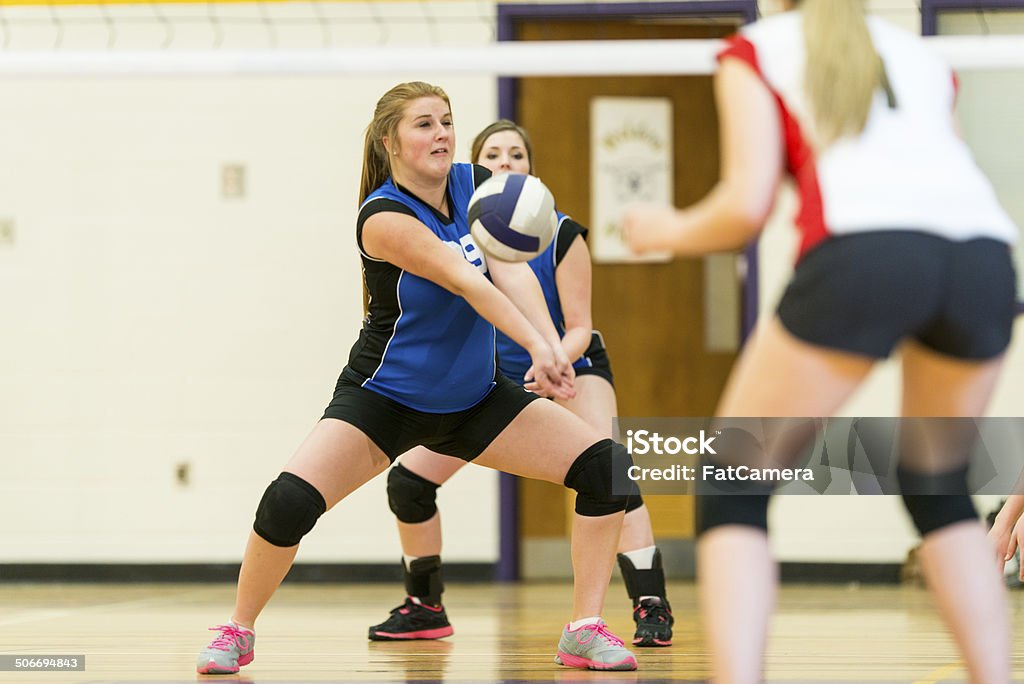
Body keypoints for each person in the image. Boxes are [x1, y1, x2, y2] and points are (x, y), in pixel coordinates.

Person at [623, 1, 1018, 682]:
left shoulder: (758, 48)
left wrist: (661, 230)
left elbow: (745, 207)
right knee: (937, 483)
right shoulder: (920, 55)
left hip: (865, 254)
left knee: (733, 479)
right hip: (984, 258)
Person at [195, 82, 639, 674]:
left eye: (448, 122)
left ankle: (583, 627)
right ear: (391, 142)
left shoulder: (475, 186)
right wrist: (535, 343)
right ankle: (238, 629)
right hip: (386, 398)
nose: (442, 135)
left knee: (607, 470)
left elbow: (509, 271)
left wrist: (551, 346)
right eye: (425, 124)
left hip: (476, 398)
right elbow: (467, 282)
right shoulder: (382, 216)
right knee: (286, 504)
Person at [367, 120, 673, 648]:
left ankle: (650, 603)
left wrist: (552, 363)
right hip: (500, 379)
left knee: (611, 468)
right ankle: (424, 605)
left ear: (532, 170)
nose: (505, 165)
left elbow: (579, 326)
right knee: (409, 483)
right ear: (478, 168)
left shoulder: (561, 232)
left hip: (572, 365)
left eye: (516, 156)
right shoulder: (461, 230)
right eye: (494, 156)